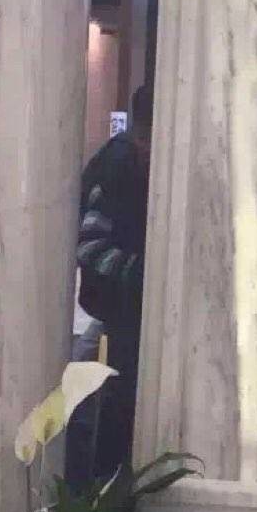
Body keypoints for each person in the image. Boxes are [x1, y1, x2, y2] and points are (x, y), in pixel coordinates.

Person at [67, 84, 153, 483]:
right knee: (104, 417)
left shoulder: (125, 162)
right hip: (116, 315)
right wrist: (144, 273)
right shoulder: (118, 167)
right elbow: (90, 245)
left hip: (116, 313)